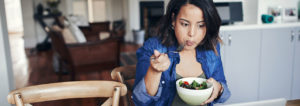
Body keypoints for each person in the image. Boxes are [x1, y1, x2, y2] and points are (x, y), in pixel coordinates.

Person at [132, 0, 231, 106]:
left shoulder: (211, 47)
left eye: (201, 25)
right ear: (173, 20)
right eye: (185, 24)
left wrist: (218, 88)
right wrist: (154, 71)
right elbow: (140, 101)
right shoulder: (154, 47)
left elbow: (225, 92)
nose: (191, 34)